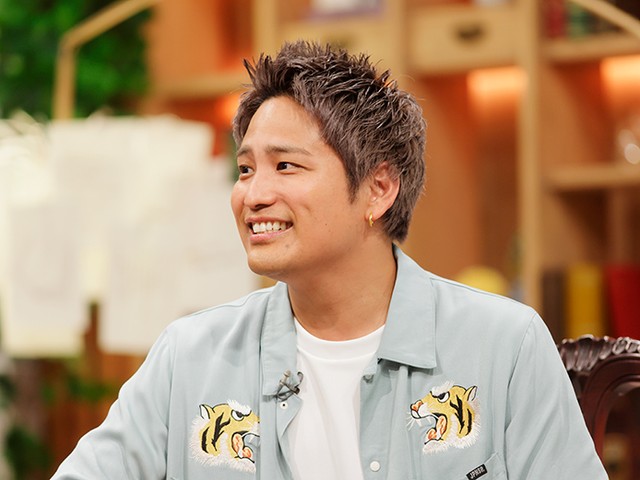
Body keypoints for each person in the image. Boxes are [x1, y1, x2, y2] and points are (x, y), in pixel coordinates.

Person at [52, 40, 607, 479]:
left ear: (378, 189)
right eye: (245, 169)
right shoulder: (190, 356)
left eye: (285, 166)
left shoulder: (504, 346)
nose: (253, 195)